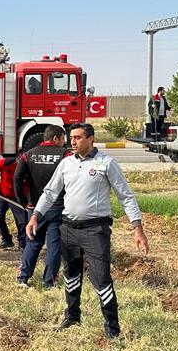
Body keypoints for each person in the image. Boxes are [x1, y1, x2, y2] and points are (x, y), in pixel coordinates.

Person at [26, 123, 148, 339]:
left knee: (101, 278)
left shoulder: (106, 163)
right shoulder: (66, 164)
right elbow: (50, 193)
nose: (72, 141)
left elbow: (125, 196)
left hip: (95, 230)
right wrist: (35, 216)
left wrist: (137, 228)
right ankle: (72, 316)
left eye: (78, 137)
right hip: (68, 228)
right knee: (71, 274)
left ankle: (112, 328)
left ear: (91, 139)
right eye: (71, 137)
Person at [15, 124, 68, 288]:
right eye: (63, 139)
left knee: (33, 242)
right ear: (55, 138)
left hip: (34, 208)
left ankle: (23, 278)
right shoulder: (66, 155)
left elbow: (17, 179)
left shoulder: (27, 155)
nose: (64, 142)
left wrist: (23, 202)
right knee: (54, 245)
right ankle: (49, 282)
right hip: (58, 206)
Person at [0, 155, 26, 251]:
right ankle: (6, 239)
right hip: (2, 195)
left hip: (18, 198)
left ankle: (22, 242)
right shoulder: (5, 162)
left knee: (22, 221)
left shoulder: (28, 168)